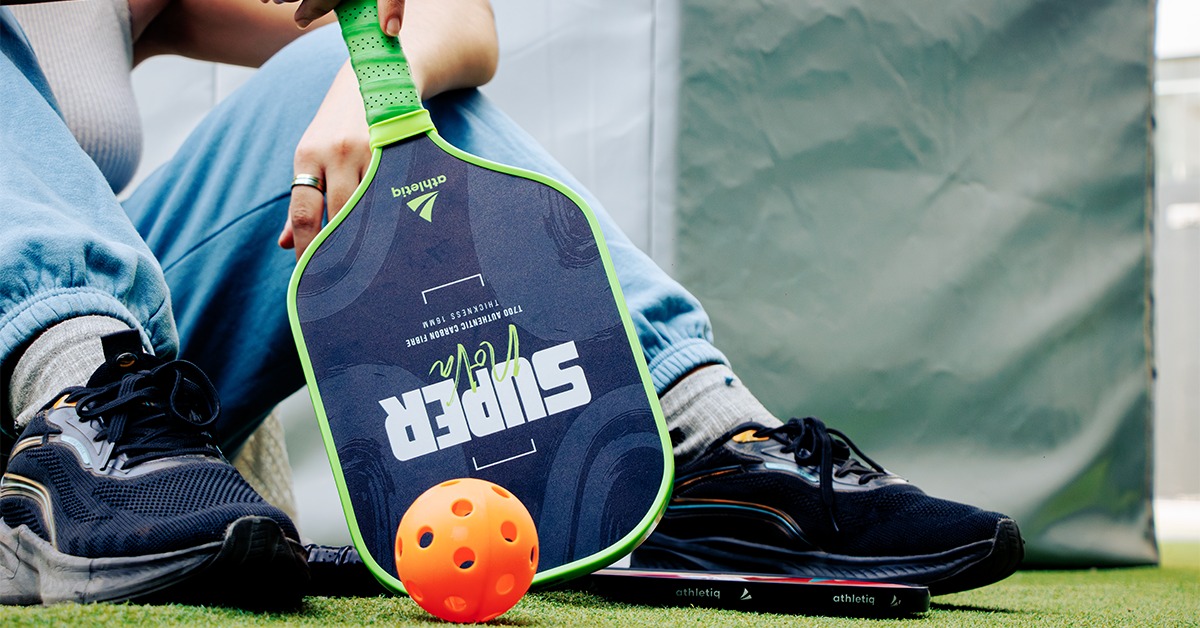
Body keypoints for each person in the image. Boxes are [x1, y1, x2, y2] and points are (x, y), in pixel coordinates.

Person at [0, 0, 1022, 608]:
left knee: (355, 55)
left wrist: (369, 85)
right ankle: (79, 431)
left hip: (122, 388)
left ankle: (699, 451)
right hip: (40, 393)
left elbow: (452, 20)